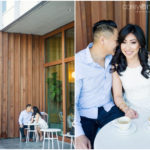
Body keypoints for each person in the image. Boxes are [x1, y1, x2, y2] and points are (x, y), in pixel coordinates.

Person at [75, 20, 125, 149]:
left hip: (108, 109)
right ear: (103, 40)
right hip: (85, 114)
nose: (118, 44)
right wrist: (79, 135)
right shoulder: (79, 62)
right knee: (84, 146)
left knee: (126, 135)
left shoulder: (112, 59)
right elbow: (71, 103)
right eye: (116, 40)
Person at [111, 24, 150, 121]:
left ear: (140, 44)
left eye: (133, 42)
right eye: (124, 42)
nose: (127, 47)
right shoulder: (116, 66)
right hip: (132, 113)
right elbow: (118, 96)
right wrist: (127, 109)